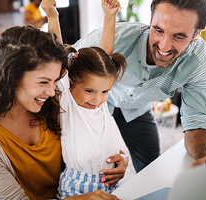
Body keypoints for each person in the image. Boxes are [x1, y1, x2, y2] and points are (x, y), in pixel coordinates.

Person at [0, 26, 127, 200]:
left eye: (55, 81)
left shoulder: (55, 104)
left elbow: (94, 136)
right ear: (11, 76)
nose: (52, 91)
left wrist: (118, 161)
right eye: (43, 82)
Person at [73, 0, 206, 173]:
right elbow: (62, 71)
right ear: (151, 19)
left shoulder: (199, 61)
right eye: (158, 30)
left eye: (178, 36)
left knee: (151, 169)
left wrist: (204, 155)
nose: (164, 46)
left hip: (137, 109)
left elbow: (197, 119)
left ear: (196, 33)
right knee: (84, 162)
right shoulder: (113, 37)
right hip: (94, 105)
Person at [42, 0, 135, 198]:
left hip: (110, 181)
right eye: (90, 91)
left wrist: (110, 17)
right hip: (78, 186)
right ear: (71, 83)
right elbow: (57, 56)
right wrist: (52, 16)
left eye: (105, 92)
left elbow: (105, 56)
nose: (98, 100)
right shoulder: (68, 102)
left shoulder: (98, 102)